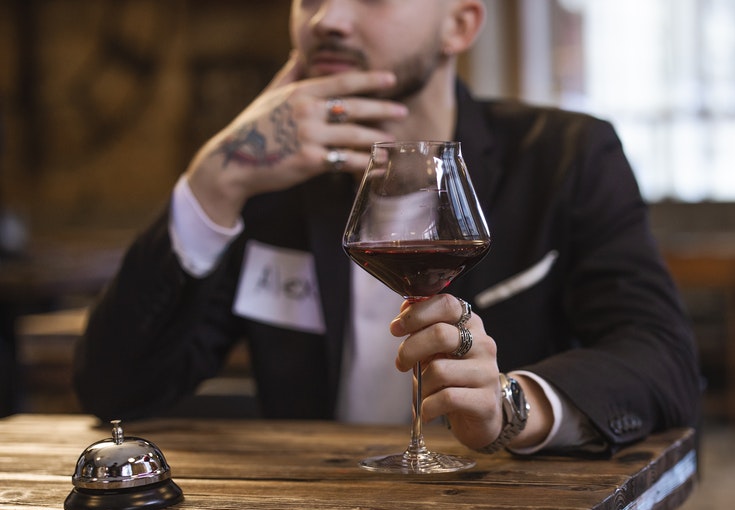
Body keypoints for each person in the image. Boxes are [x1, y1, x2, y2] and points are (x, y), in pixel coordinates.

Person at [74, 0, 701, 455]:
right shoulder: (270, 186)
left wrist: (511, 406)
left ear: (460, 23)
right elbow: (115, 387)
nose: (327, 19)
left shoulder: (565, 156)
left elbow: (664, 362)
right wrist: (215, 180)